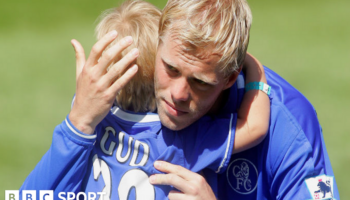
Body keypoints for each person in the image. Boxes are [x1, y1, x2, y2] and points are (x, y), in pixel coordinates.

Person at [20, 1, 270, 199]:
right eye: (171, 69)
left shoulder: (89, 117)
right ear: (155, 71)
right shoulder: (181, 141)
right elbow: (255, 126)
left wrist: (80, 109)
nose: (179, 93)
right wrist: (253, 66)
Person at [145, 0, 340, 199]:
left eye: (200, 82)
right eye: (171, 69)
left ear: (229, 77)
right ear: (158, 42)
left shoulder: (289, 122)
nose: (178, 94)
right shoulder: (129, 85)